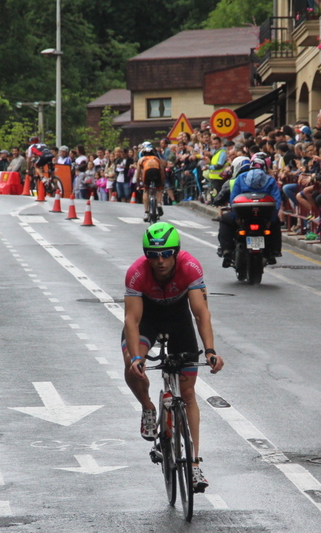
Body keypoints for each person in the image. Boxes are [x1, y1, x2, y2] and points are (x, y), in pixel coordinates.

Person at [123, 224, 223, 490]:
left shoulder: (190, 267)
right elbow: (132, 320)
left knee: (188, 394)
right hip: (147, 321)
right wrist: (136, 359)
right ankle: (148, 406)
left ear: (176, 252)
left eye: (166, 254)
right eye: (153, 255)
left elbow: (200, 313)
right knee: (132, 365)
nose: (160, 260)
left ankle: (194, 464)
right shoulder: (136, 273)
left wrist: (210, 351)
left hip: (179, 321)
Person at [137, 142, 166, 223]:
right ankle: (159, 203)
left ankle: (146, 212)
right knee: (159, 189)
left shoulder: (141, 159)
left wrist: (139, 185)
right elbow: (162, 172)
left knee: (146, 190)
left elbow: (137, 175)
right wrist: (162, 183)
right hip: (156, 172)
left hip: (147, 172)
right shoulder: (157, 159)